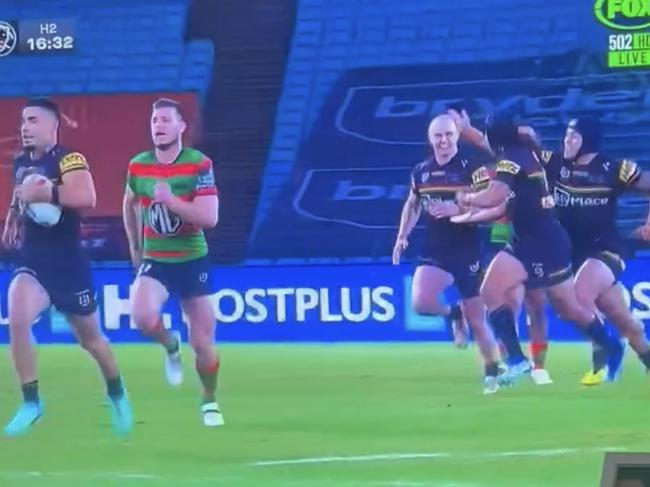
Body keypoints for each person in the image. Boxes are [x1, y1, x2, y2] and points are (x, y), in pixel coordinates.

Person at [453, 113, 624, 384]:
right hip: (540, 239)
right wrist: (470, 214)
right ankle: (611, 346)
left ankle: (517, 360)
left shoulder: (510, 158)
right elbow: (505, 203)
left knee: (495, 292)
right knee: (568, 308)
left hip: (539, 244)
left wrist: (468, 198)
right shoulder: (522, 152)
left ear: (495, 136)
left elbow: (496, 194)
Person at [1, 98, 132, 436]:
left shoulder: (69, 159)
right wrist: (13, 219)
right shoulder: (20, 163)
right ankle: (31, 402)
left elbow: (85, 197)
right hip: (33, 261)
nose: (24, 128)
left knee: (92, 341)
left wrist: (48, 192)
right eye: (23, 122)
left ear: (51, 125)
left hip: (68, 266)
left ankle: (117, 392)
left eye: (32, 121)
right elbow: (22, 201)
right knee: (17, 316)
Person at [123, 98, 223, 426]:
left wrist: (171, 201)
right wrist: (135, 247)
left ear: (181, 127)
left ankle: (209, 401)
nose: (158, 125)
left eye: (165, 119)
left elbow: (209, 218)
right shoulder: (138, 165)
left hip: (192, 259)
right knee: (140, 316)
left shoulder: (199, 164)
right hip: (157, 260)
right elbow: (130, 204)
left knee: (204, 340)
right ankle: (170, 344)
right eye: (154, 120)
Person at [534, 117, 650, 385]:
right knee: (620, 318)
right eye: (565, 136)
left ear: (589, 140)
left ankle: (603, 362)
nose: (567, 141)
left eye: (573, 137)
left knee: (579, 295)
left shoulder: (614, 168)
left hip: (606, 249)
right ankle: (646, 356)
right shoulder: (553, 162)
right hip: (570, 253)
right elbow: (515, 156)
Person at [393, 114, 502, 394]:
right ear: (430, 139)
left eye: (449, 135)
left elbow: (492, 207)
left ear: (456, 136)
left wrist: (460, 210)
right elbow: (413, 203)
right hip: (435, 247)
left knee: (477, 320)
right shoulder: (421, 172)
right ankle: (453, 313)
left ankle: (492, 371)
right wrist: (402, 236)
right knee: (420, 302)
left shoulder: (473, 168)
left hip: (467, 249)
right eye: (438, 136)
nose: (443, 141)